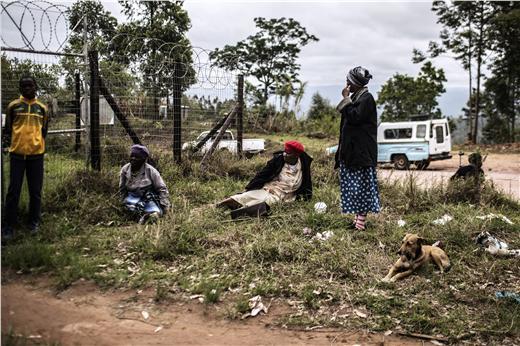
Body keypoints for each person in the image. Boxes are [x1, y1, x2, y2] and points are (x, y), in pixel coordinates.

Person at [2, 75, 49, 239]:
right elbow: (7, 130)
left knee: (35, 192)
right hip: (16, 155)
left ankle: (34, 222)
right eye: (24, 86)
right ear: (20, 89)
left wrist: (38, 146)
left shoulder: (42, 108)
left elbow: (44, 132)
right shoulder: (13, 106)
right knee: (13, 191)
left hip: (36, 156)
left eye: (31, 86)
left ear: (36, 87)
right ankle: (8, 226)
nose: (28, 88)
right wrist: (6, 145)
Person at [335, 66, 380, 230]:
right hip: (353, 152)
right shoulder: (358, 98)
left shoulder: (366, 99)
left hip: (361, 154)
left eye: (349, 81)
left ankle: (360, 223)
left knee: (360, 189)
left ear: (356, 83)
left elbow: (354, 117)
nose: (347, 84)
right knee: (355, 188)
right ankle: (357, 221)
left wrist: (346, 98)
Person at [218, 140, 313, 219]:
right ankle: (226, 203)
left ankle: (237, 212)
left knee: (264, 204)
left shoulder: (303, 164)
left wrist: (307, 198)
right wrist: (249, 187)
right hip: (271, 188)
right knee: (249, 195)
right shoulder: (278, 160)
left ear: (296, 155)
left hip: (286, 196)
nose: (284, 154)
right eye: (284, 151)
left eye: (288, 153)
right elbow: (262, 174)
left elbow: (307, 182)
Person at [119, 144, 170, 224]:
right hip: (132, 196)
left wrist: (164, 205)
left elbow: (162, 188)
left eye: (137, 157)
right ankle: (141, 216)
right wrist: (122, 202)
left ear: (143, 159)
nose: (133, 159)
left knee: (155, 213)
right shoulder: (125, 169)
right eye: (132, 156)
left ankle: (150, 216)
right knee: (130, 210)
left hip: (148, 197)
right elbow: (122, 189)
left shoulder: (151, 171)